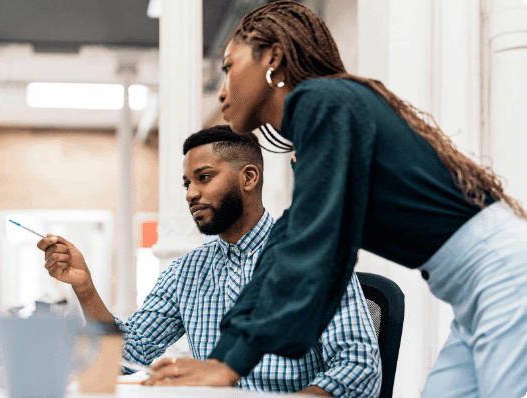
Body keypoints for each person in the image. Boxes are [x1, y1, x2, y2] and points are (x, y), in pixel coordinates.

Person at [144, 1, 527, 397]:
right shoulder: (319, 121)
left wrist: (229, 365)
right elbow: (290, 241)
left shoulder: (322, 102)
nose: (222, 91)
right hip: (475, 291)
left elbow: (313, 245)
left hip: (506, 278)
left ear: (272, 57)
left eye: (229, 67)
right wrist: (224, 359)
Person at [37, 125, 382, 396]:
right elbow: (129, 357)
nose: (190, 194)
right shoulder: (187, 271)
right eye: (187, 183)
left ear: (249, 178)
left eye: (204, 178)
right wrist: (84, 287)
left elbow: (358, 365)